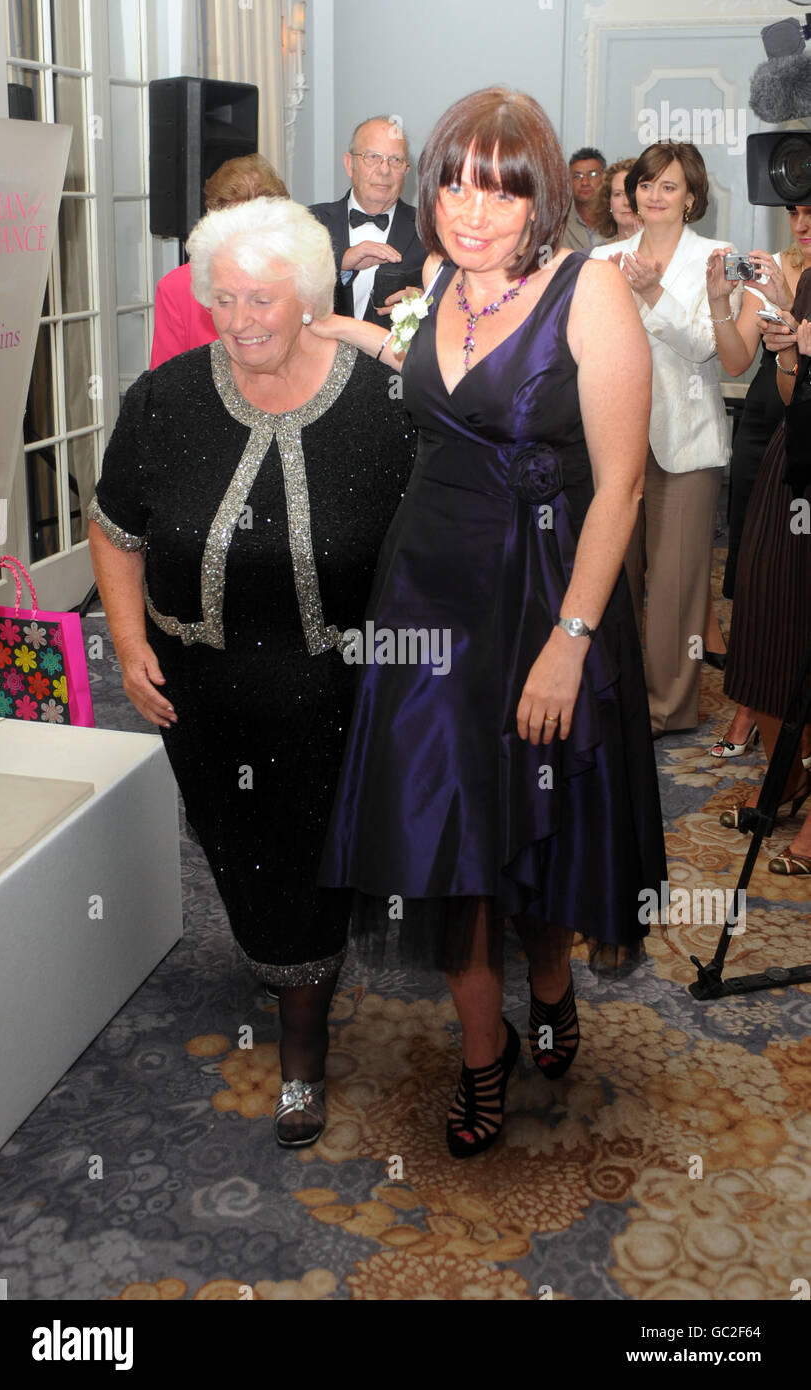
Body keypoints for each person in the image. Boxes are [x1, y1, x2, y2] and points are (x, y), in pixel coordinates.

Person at [311, 87, 666, 1158]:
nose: (471, 210)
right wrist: (356, 337)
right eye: (455, 182)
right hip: (426, 594)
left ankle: (550, 983)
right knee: (443, 838)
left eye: (500, 191)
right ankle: (482, 1057)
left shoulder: (589, 293)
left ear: (542, 198)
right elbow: (445, 396)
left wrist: (567, 643)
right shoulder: (431, 282)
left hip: (544, 593)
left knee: (535, 828)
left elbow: (620, 490)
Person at [88, 198, 416, 1148]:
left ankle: (300, 1055)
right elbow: (115, 529)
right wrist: (128, 636)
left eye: (262, 299)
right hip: (202, 694)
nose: (240, 320)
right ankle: (283, 962)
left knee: (307, 866)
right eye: (223, 297)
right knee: (237, 848)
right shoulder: (166, 398)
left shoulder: (381, 404)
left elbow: (438, 548)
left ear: (309, 298)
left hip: (339, 696)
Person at [590, 141, 742, 737]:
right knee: (612, 578)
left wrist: (652, 291)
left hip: (688, 439)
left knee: (677, 587)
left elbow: (709, 344)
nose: (653, 196)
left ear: (692, 198)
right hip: (613, 440)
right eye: (646, 185)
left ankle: (667, 706)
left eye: (669, 187)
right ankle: (614, 693)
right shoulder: (605, 258)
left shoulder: (718, 257)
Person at [703, 209, 811, 759]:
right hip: (765, 427)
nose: (801, 222)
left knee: (792, 588)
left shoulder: (797, 278)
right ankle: (755, 704)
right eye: (794, 210)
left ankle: (771, 717)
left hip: (802, 427)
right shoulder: (777, 268)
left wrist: (791, 311)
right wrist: (723, 301)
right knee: (754, 575)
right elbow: (738, 357)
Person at [717, 280, 811, 857]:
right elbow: (789, 391)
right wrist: (788, 353)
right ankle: (790, 773)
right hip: (795, 454)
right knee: (767, 626)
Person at [149, 154, 288, 368]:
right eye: (236, 224)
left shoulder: (299, 276)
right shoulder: (177, 287)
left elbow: (319, 360)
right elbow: (164, 385)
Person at [310, 115, 426, 322]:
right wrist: (339, 264)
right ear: (349, 164)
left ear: (406, 171)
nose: (384, 170)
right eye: (373, 157)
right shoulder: (310, 223)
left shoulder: (429, 230)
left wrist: (426, 302)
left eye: (395, 160)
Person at [561, 146, 608, 254]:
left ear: (605, 178)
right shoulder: (559, 222)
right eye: (578, 176)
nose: (585, 182)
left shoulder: (617, 218)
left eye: (592, 175)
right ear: (569, 181)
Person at [589, 158, 641, 243]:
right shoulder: (595, 254)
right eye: (618, 194)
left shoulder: (669, 252)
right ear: (608, 202)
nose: (626, 202)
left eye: (632, 193)